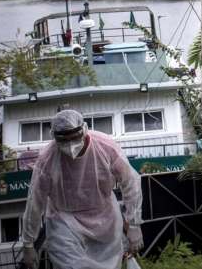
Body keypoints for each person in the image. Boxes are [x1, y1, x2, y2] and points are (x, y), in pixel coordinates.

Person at [21, 110, 144, 269]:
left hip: (105, 216)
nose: (70, 145)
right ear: (54, 137)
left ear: (84, 130)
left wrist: (134, 223)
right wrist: (28, 243)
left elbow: (131, 182)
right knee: (70, 265)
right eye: (63, 140)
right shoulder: (47, 159)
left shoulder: (105, 147)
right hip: (64, 219)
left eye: (74, 137)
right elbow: (35, 202)